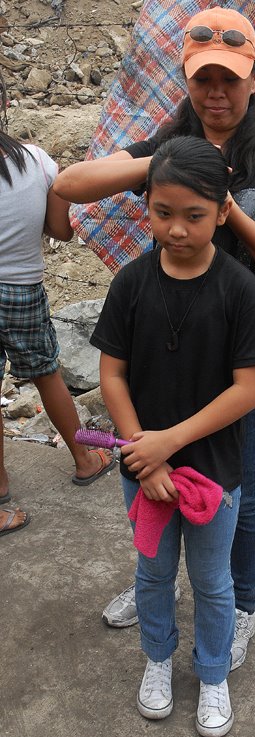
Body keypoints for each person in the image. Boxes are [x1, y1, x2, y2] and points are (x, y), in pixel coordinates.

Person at [54, 5, 255, 667]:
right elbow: (69, 184)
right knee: (152, 467)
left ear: (254, 78)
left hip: (240, 359)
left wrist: (223, 206)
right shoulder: (163, 150)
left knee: (238, 491)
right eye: (204, 80)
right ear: (187, 80)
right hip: (160, 353)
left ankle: (241, 606)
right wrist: (172, 168)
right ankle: (156, 583)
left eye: (230, 79)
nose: (216, 93)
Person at [89, 135, 255, 737]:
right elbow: (112, 374)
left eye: (194, 215)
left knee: (212, 581)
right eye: (162, 212)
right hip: (142, 466)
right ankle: (157, 660)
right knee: (152, 574)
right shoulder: (131, 282)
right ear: (147, 206)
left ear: (223, 211)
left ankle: (213, 672)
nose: (176, 229)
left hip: (214, 471)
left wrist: (166, 444)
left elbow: (247, 390)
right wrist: (142, 453)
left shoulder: (241, 290)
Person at [0, 125, 114, 537]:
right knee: (47, 375)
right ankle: (85, 460)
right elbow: (62, 230)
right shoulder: (36, 161)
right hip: (22, 289)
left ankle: (0, 489)